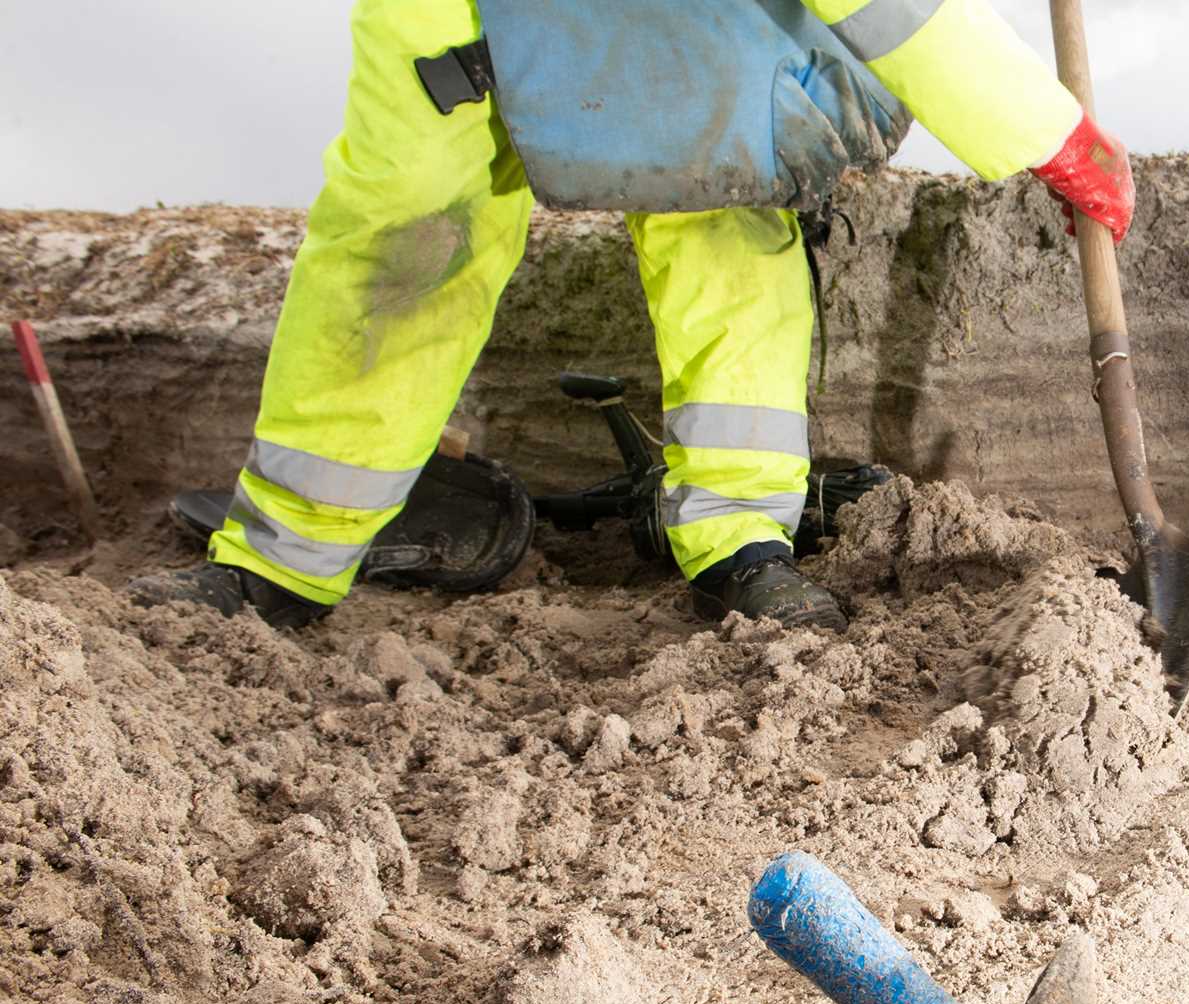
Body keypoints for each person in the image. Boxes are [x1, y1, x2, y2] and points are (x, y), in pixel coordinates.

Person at [128, 0, 1134, 632]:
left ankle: (739, 544)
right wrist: (1048, 132)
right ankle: (282, 564)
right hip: (456, 24)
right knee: (401, 251)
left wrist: (1044, 132)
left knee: (725, 221)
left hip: (686, 25)